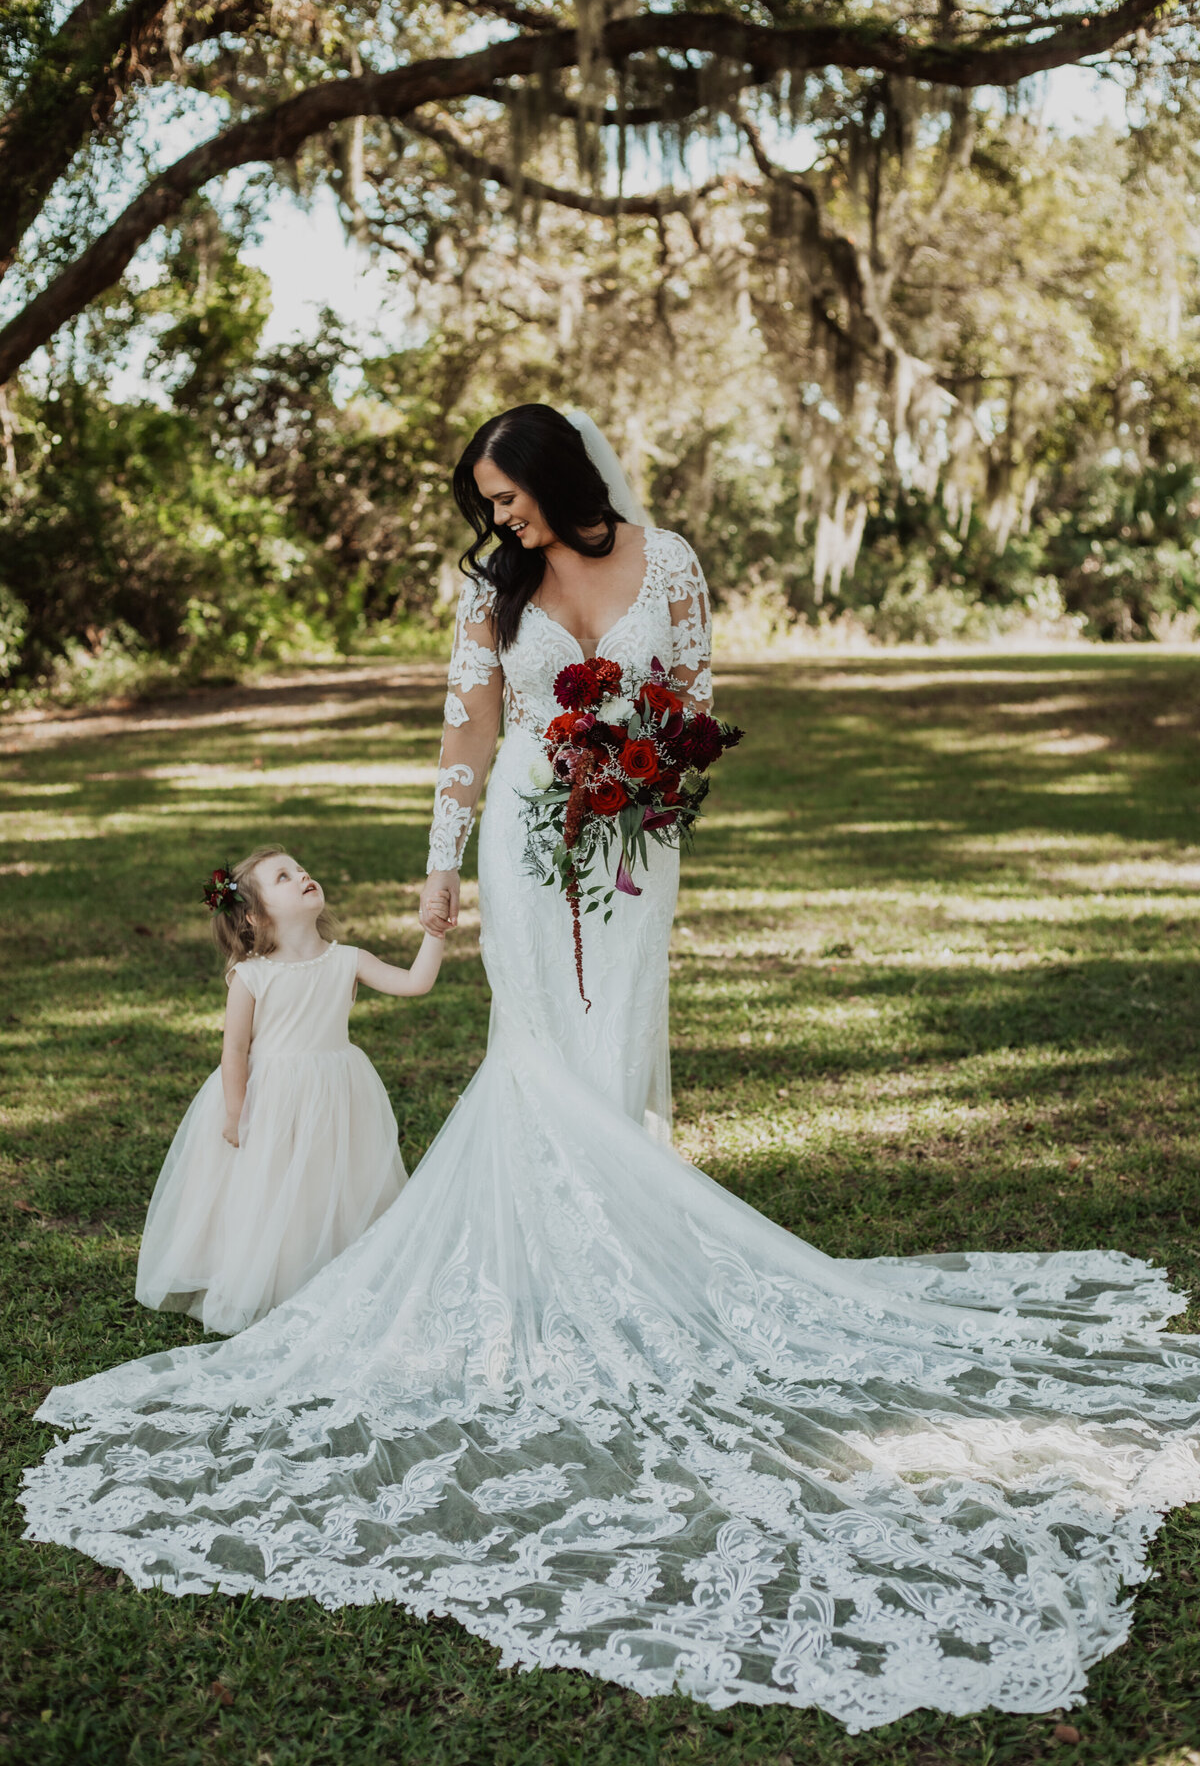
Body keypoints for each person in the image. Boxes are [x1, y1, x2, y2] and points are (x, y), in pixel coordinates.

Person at [20, 408, 1200, 1735]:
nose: (505, 521)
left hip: (633, 841)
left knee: (617, 1042)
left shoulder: (674, 562)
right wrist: (441, 865)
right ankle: (562, 1276)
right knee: (536, 1052)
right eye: (490, 503)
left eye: (513, 497)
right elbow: (467, 730)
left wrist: (650, 776)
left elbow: (693, 708)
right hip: (527, 838)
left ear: (564, 481)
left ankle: (636, 1254)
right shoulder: (491, 588)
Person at [135, 846, 446, 1334]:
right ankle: (267, 1276)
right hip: (270, 1098)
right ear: (256, 916)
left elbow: (415, 983)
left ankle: (336, 1269)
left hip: (335, 1091)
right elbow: (235, 1051)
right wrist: (236, 1112)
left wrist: (433, 936)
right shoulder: (252, 975)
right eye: (284, 876)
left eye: (300, 869)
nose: (302, 875)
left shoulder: (347, 959)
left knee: (329, 1181)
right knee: (270, 1188)